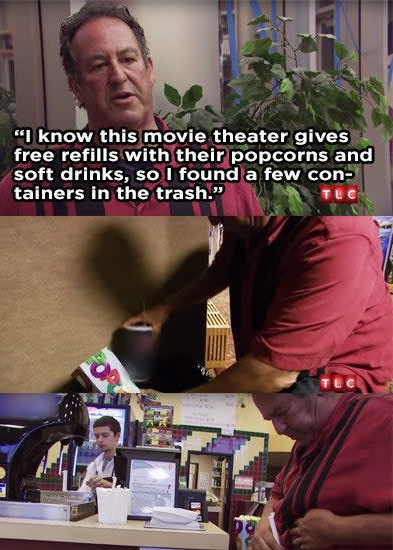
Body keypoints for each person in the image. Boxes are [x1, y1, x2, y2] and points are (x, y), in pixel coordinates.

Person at [0, 1, 263, 216]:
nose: (119, 75)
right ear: (76, 86)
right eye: (99, 65)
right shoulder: (27, 188)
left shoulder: (221, 171)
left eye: (128, 59)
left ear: (150, 69)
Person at [124, 216, 392, 393]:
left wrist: (166, 405)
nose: (214, 219)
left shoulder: (337, 236)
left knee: (294, 398)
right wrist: (163, 309)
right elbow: (220, 273)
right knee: (181, 371)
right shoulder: (242, 222)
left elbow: (272, 375)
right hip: (275, 363)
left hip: (338, 376)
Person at [249, 393, 393, 550]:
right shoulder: (305, 436)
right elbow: (278, 492)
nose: (279, 429)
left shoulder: (383, 418)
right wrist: (264, 526)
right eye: (270, 419)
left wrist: (340, 529)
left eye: (283, 411)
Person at [78, 415, 121, 492]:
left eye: (105, 435)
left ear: (117, 436)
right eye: (97, 436)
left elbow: (135, 496)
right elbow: (83, 492)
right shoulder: (93, 466)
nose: (100, 440)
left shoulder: (127, 465)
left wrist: (111, 487)